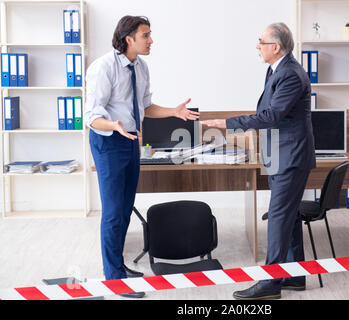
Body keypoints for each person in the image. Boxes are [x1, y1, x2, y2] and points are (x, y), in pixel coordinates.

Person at [85, 16, 199, 298]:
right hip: (109, 141)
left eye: (150, 35)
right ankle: (114, 278)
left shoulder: (141, 67)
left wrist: (174, 111)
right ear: (129, 39)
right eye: (145, 35)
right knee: (112, 212)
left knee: (125, 209)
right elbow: (91, 116)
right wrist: (113, 125)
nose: (151, 40)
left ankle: (119, 267)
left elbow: (145, 106)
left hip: (131, 141)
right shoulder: (103, 68)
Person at [202, 22, 316, 300]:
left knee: (278, 217)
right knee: (288, 215)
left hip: (290, 156)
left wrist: (226, 123)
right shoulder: (277, 69)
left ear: (275, 47)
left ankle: (270, 283)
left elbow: (270, 117)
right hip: (281, 153)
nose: (257, 46)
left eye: (261, 42)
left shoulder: (290, 74)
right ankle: (294, 275)